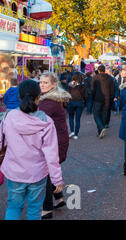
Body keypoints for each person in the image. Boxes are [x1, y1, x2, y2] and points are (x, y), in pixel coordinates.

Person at [0, 80, 63, 220]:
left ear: (19, 98)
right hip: (37, 173)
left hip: (14, 171)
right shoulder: (46, 122)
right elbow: (52, 155)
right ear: (38, 97)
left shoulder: (8, 118)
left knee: (14, 206)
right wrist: (56, 179)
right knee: (35, 209)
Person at [38, 72, 71, 220]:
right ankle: (58, 199)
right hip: (60, 139)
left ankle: (47, 209)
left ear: (53, 84)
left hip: (54, 142)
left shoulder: (47, 102)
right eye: (40, 82)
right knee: (51, 172)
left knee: (45, 174)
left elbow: (38, 123)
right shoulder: (54, 98)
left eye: (45, 83)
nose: (42, 85)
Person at [91, 65, 114, 139]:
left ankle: (101, 128)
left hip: (97, 99)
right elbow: (112, 89)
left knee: (96, 114)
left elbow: (92, 89)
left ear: (98, 70)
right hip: (107, 98)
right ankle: (101, 129)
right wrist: (111, 97)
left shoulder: (95, 77)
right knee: (104, 114)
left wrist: (93, 97)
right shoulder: (110, 78)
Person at [67, 72, 87, 140]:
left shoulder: (70, 84)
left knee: (71, 117)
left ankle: (72, 131)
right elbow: (85, 95)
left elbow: (68, 93)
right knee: (78, 119)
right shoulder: (83, 85)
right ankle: (76, 134)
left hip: (71, 102)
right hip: (80, 102)